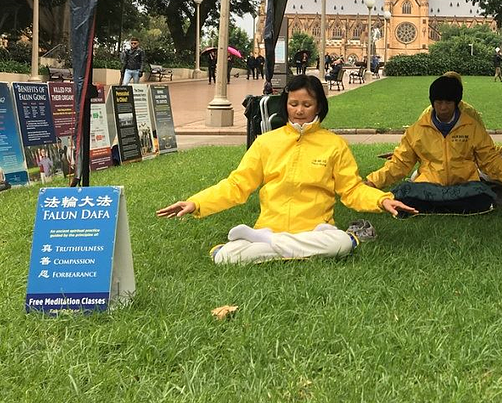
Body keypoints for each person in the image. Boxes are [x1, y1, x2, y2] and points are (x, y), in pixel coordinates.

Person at [156, 74, 416, 264]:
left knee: (339, 242)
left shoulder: (334, 145)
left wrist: (382, 200)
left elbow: (352, 190)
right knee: (345, 243)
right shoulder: (266, 142)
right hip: (270, 228)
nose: (299, 111)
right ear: (285, 105)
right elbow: (237, 185)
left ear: (319, 106)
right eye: (293, 104)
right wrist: (196, 203)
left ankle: (261, 248)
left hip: (315, 230)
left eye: (307, 104)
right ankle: (279, 247)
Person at [364, 75, 502, 214]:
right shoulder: (417, 130)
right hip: (430, 186)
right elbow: (400, 164)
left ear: (456, 103)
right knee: (403, 192)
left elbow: (491, 160)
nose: (443, 108)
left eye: (448, 102)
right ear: (432, 102)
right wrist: (372, 182)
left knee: (482, 196)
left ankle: (440, 206)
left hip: (464, 187)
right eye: (439, 102)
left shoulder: (472, 128)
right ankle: (447, 206)